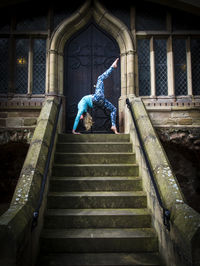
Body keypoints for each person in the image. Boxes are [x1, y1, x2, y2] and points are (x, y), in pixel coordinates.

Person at [72, 58, 119, 134]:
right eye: (81, 117)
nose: (80, 116)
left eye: (81, 117)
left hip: (100, 101)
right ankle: (112, 67)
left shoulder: (84, 110)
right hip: (97, 98)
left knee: (114, 109)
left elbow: (83, 113)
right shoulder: (81, 107)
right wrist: (73, 131)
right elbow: (77, 117)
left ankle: (113, 126)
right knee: (100, 78)